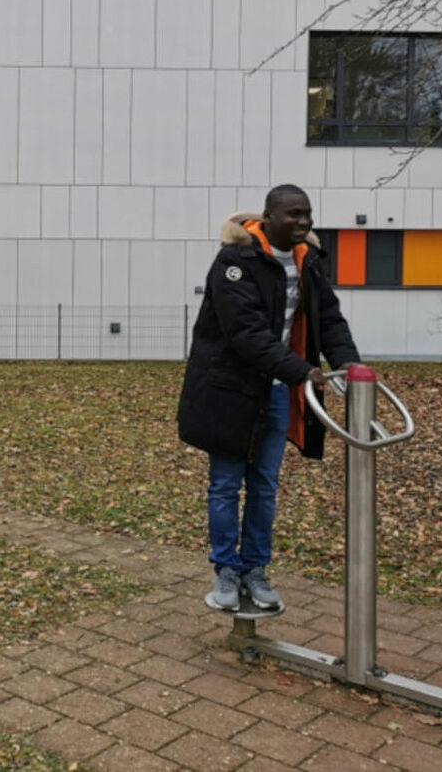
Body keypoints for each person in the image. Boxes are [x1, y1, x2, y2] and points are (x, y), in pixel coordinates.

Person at [177, 184, 360, 611]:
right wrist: (304, 372)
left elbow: (328, 317)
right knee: (225, 485)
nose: (303, 222)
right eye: (293, 214)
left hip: (276, 390)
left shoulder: (307, 261)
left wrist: (347, 363)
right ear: (268, 217)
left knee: (264, 486)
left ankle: (255, 570)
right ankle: (225, 570)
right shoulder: (235, 261)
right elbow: (246, 334)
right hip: (231, 391)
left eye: (308, 214)